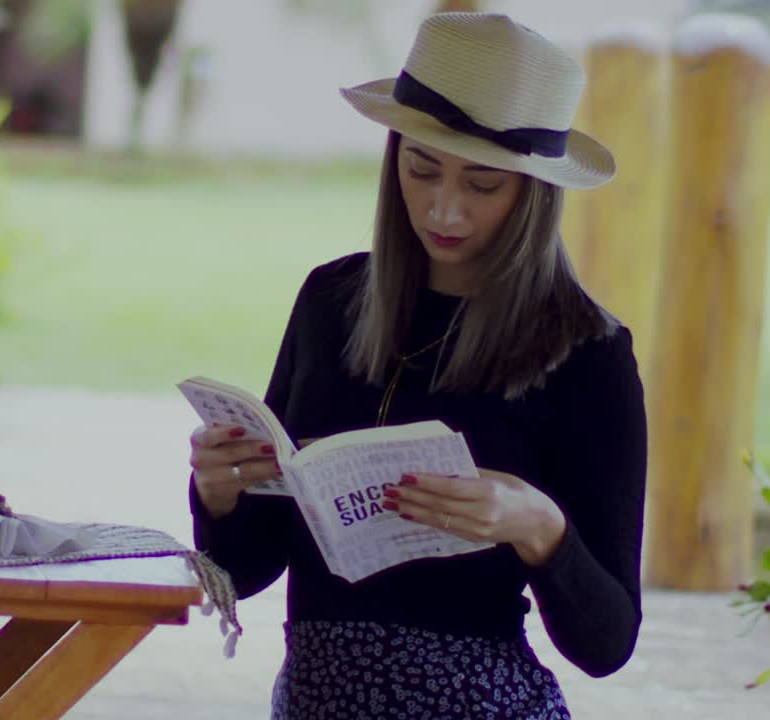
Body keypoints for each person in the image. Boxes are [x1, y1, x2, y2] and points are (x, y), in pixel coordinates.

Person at [186, 11, 647, 720]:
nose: (444, 208)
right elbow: (247, 572)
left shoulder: (586, 354)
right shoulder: (331, 300)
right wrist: (222, 495)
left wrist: (539, 528)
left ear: (532, 192)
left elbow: (608, 643)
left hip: (477, 700)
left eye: (483, 186)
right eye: (420, 168)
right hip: (317, 696)